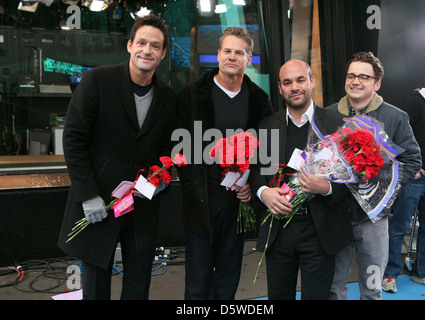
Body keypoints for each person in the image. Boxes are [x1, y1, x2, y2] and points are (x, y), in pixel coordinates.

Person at [57, 14, 176, 300]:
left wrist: (162, 179)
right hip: (98, 203)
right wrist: (87, 195)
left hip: (142, 206)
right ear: (129, 45)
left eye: (155, 46)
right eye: (142, 43)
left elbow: (167, 150)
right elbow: (74, 139)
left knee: (138, 282)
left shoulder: (168, 97)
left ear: (161, 55)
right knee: (96, 284)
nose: (147, 50)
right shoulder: (98, 80)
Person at [175, 26, 272, 300]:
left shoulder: (259, 100)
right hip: (201, 201)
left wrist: (253, 186)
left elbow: (266, 152)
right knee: (198, 279)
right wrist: (191, 185)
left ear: (248, 59)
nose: (232, 57)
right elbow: (178, 148)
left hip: (237, 204)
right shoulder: (191, 95)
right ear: (218, 55)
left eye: (239, 52)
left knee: (228, 278)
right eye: (227, 51)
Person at [251, 59, 353, 300]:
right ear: (279, 88)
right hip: (278, 230)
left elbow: (351, 180)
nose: (294, 87)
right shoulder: (267, 126)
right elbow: (256, 171)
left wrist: (326, 188)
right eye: (287, 82)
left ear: (312, 81)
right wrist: (263, 192)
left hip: (320, 231)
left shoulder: (336, 125)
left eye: (300, 80)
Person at [327, 51, 422, 300]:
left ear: (376, 83)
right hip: (336, 214)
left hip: (373, 218)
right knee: (333, 286)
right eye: (351, 76)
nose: (355, 81)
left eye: (363, 77)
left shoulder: (395, 117)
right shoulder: (327, 115)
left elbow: (413, 160)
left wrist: (385, 187)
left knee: (371, 287)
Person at [383, 65, 425, 293]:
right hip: (414, 179)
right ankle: (389, 274)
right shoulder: (413, 103)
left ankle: (424, 273)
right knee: (399, 226)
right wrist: (410, 166)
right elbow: (394, 136)